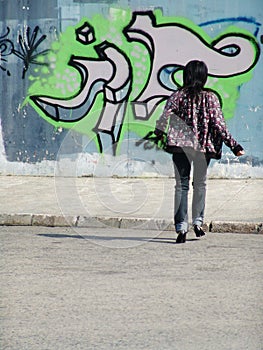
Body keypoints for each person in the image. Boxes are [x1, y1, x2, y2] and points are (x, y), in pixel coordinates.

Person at [154, 60, 245, 243]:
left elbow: (164, 117)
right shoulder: (210, 97)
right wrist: (234, 145)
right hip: (203, 148)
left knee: (181, 186)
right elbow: (218, 124)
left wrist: (159, 133)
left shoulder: (177, 96)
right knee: (200, 184)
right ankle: (197, 222)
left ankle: (181, 227)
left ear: (186, 75)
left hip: (180, 147)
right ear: (204, 76)